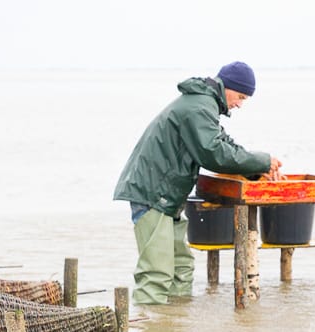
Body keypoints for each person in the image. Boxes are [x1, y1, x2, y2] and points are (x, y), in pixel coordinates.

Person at [113, 61, 283, 305]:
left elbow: (225, 143)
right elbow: (213, 153)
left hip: (168, 198)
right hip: (152, 194)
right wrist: (263, 161)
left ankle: (175, 331)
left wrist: (259, 170)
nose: (240, 104)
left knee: (182, 268)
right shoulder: (200, 107)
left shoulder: (204, 105)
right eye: (240, 96)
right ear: (227, 87)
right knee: (156, 274)